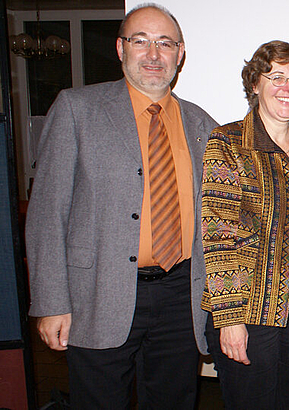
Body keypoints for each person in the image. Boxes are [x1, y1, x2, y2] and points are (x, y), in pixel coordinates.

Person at [25, 4, 218, 408]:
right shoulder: (78, 108)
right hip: (97, 294)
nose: (153, 54)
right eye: (140, 41)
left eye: (164, 43)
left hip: (180, 296)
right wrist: (50, 303)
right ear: (120, 48)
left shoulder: (202, 125)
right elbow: (46, 214)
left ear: (180, 54)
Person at [201, 40, 289, 410]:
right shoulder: (227, 143)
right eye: (277, 77)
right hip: (250, 308)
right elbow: (218, 236)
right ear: (255, 83)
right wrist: (228, 319)